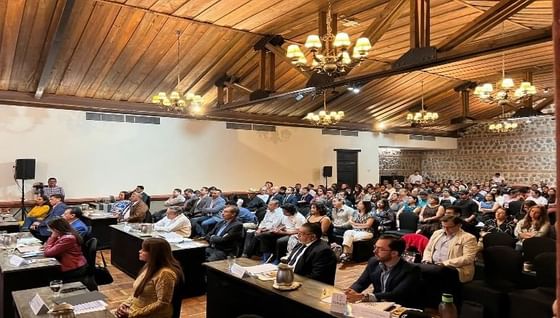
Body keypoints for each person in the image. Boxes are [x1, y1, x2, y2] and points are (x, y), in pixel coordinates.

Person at [344, 235, 421, 307]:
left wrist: (363, 297)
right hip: (377, 304)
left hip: (399, 307)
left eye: (380, 249)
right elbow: (361, 283)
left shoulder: (411, 270)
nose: (374, 251)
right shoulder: (373, 262)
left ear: (394, 253)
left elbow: (396, 295)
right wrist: (350, 292)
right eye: (375, 247)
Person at [116, 238, 183, 318]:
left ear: (154, 254)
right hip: (138, 309)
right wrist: (125, 304)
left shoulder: (165, 274)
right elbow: (137, 293)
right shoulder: (148, 266)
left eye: (144, 250)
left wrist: (133, 314)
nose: (140, 251)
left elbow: (163, 303)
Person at [420, 215, 478, 306]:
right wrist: (426, 259)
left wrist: (444, 263)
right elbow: (428, 249)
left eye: (449, 227)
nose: (445, 230)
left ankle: (444, 307)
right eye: (443, 226)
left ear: (459, 225)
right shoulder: (437, 233)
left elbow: (468, 258)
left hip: (455, 269)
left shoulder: (468, 238)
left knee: (441, 272)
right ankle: (428, 305)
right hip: (433, 265)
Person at [43, 218, 87, 282]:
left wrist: (52, 238)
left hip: (74, 268)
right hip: (70, 264)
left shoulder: (68, 238)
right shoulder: (66, 235)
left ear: (56, 229)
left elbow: (48, 253)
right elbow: (51, 248)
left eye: (50, 230)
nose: (50, 231)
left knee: (43, 275)